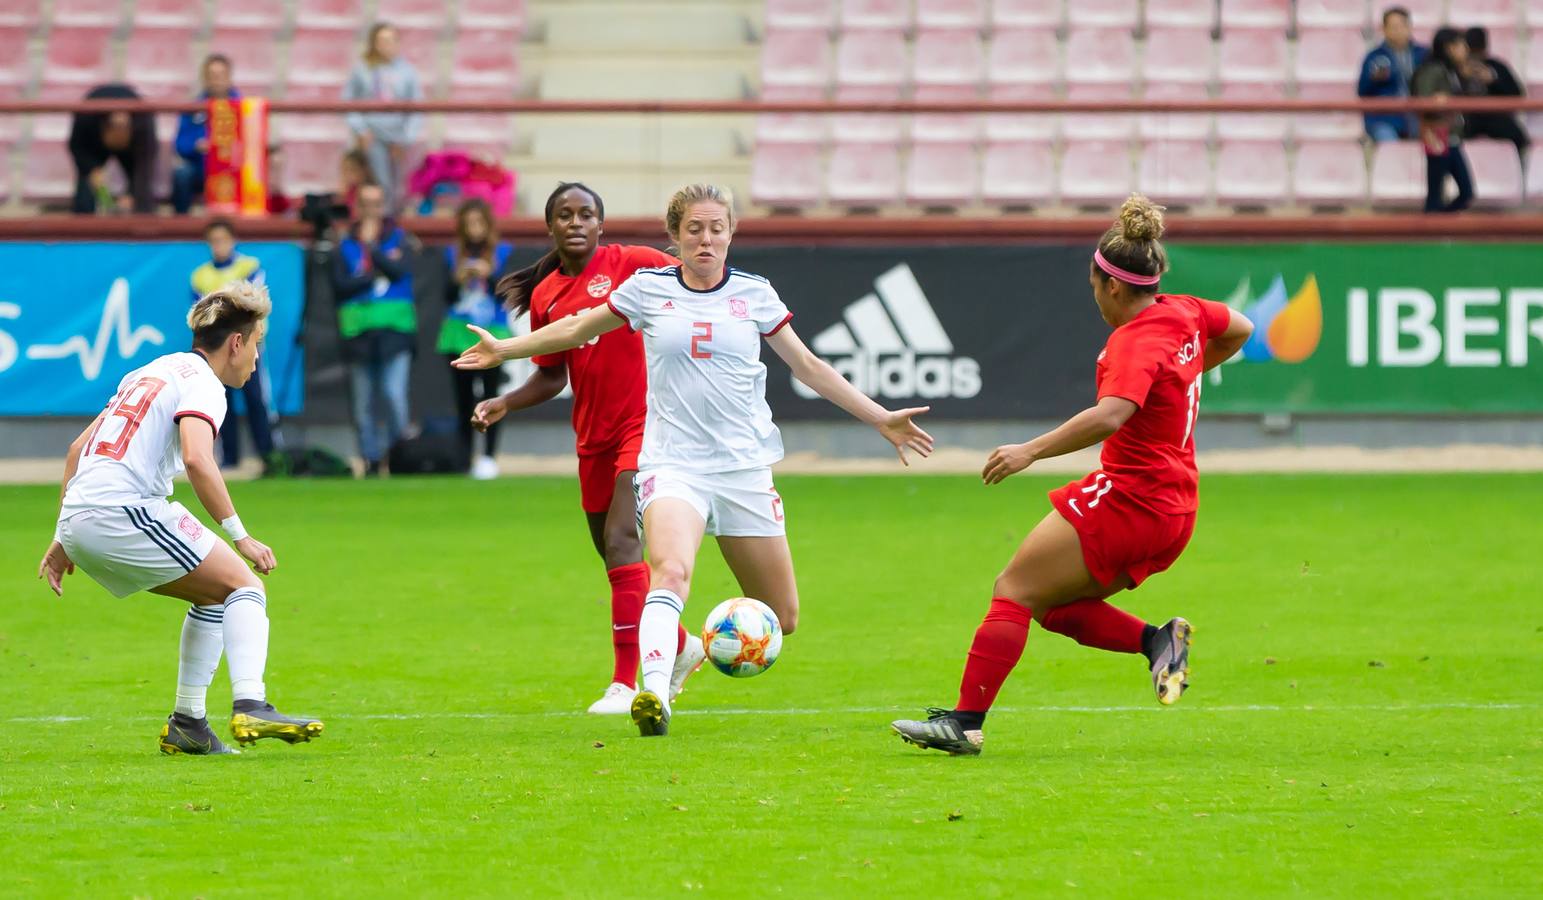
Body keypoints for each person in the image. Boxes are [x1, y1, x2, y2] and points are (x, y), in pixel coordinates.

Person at [455, 184, 934, 737]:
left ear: (731, 234)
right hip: (672, 463)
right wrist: (504, 349)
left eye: (716, 229)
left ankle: (701, 644)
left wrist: (879, 417)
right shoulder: (648, 288)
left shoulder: (755, 294)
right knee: (671, 571)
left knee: (784, 613)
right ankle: (652, 693)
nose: (706, 239)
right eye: (694, 230)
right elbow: (577, 327)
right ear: (676, 236)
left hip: (743, 469)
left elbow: (808, 366)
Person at [890, 196, 1254, 757]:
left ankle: (964, 724)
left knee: (1012, 590)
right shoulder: (1183, 312)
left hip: (1131, 501)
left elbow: (1110, 414)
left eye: (1093, 289)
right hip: (1175, 509)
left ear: (1109, 285)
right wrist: (1183, 374)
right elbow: (1242, 328)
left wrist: (1029, 452)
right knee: (1052, 607)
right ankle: (1159, 641)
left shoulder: (1132, 341)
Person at [37, 281, 323, 756]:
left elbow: (76, 450)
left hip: (85, 515)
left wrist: (62, 535)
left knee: (216, 598)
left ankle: (188, 724)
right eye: (256, 345)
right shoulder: (204, 384)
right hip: (121, 512)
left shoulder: (150, 371)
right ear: (236, 343)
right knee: (245, 587)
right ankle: (252, 701)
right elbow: (197, 458)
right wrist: (242, 537)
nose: (255, 359)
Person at [472, 181, 699, 715]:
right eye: (565, 215)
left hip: (646, 426)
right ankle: (683, 643)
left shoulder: (634, 263)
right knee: (615, 558)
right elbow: (551, 377)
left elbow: (692, 284)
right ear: (550, 226)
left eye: (586, 214)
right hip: (592, 436)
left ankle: (627, 683)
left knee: (623, 541)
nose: (576, 222)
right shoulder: (547, 294)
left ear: (601, 223)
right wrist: (507, 402)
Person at [332, 183, 418, 476]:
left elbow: (399, 272)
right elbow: (341, 287)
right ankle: (369, 459)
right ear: (358, 206)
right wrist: (372, 275)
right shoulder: (344, 244)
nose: (371, 209)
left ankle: (400, 457)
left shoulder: (399, 239)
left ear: (383, 206)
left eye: (376, 203)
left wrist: (372, 250)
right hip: (358, 334)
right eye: (365, 203)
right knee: (362, 403)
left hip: (396, 331)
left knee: (394, 394)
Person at [190, 219, 280, 472]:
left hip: (249, 346)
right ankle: (229, 458)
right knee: (219, 402)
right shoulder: (200, 275)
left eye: (223, 240)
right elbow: (203, 314)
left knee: (257, 399)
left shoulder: (249, 266)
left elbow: (252, 304)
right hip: (218, 351)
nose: (219, 246)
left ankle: (269, 456)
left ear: (232, 241)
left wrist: (223, 305)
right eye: (214, 241)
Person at [437, 198, 513, 479]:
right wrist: (458, 278)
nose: (474, 230)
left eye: (478, 223)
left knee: (492, 394)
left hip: (493, 331)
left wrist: (488, 275)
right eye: (468, 224)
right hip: (459, 332)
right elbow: (443, 295)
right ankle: (464, 455)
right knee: (463, 397)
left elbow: (508, 294)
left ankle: (489, 456)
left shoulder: (502, 253)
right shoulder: (451, 254)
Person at [343, 22, 423, 214]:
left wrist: (404, 139)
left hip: (397, 135)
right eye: (381, 40)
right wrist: (361, 130)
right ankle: (377, 220)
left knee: (397, 185)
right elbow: (347, 101)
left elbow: (416, 106)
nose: (386, 45)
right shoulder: (362, 69)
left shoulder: (408, 71)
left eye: (390, 40)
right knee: (379, 182)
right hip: (372, 134)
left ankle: (393, 222)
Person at [69, 83, 159, 214]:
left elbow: (144, 167)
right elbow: (76, 146)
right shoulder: (86, 116)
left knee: (142, 192)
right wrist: (91, 168)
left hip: (133, 148)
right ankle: (82, 227)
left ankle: (142, 229)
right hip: (93, 147)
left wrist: (132, 194)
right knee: (86, 186)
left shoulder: (144, 123)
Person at [1412, 28, 1475, 214]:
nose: (1465, 49)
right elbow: (1425, 99)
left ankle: (1438, 226)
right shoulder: (1433, 70)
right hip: (1437, 136)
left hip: (1451, 137)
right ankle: (1432, 230)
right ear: (1449, 48)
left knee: (1465, 193)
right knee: (1437, 195)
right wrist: (1441, 100)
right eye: (1461, 45)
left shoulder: (1452, 71)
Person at [172, 54, 240, 214]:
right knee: (182, 173)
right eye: (212, 76)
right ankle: (181, 224)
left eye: (221, 75)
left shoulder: (244, 109)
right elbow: (180, 144)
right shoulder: (193, 108)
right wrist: (196, 145)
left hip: (234, 170)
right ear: (205, 78)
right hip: (201, 169)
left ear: (229, 77)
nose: (217, 80)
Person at [1358, 7, 1428, 142]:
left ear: (1409, 27)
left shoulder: (1424, 54)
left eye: (1402, 25)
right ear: (1384, 29)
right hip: (1385, 119)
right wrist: (1374, 79)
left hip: (1419, 116)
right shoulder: (1374, 57)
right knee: (1388, 141)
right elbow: (1362, 91)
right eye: (1393, 26)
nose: (1398, 30)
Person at [1461, 27, 1529, 158]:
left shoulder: (1496, 66)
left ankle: (1520, 171)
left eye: (1478, 50)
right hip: (1466, 117)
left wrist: (1494, 79)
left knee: (1518, 136)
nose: (1475, 56)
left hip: (1494, 116)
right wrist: (1462, 77)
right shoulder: (1457, 68)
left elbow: (1517, 95)